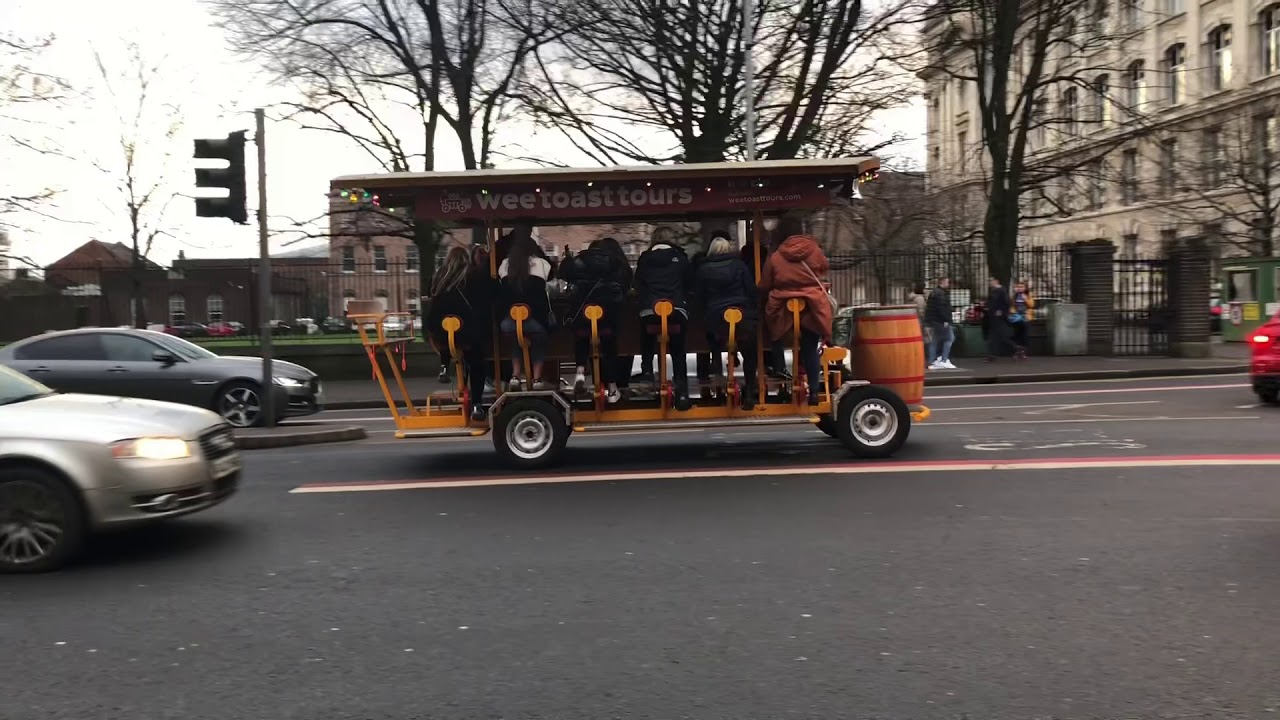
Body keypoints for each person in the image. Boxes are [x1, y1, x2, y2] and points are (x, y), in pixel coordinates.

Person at [760, 212, 831, 405]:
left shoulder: (776, 256)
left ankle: (781, 372)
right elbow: (824, 267)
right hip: (812, 307)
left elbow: (765, 283)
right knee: (810, 347)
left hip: (783, 308)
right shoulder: (814, 249)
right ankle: (814, 391)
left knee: (774, 336)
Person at [425, 246, 496, 421]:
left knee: (450, 342)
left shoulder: (439, 275)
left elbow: (430, 295)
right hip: (467, 331)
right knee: (476, 362)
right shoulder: (472, 275)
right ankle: (476, 404)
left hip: (440, 329)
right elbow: (488, 293)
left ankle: (444, 366)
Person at [561, 237, 631, 404]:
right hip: (607, 315)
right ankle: (613, 388)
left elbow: (564, 276)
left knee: (582, 337)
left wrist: (568, 259)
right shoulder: (616, 263)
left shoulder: (580, 261)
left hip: (583, 316)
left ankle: (579, 370)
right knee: (609, 345)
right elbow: (625, 285)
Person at [696, 236, 761, 408]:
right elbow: (750, 289)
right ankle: (749, 393)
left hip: (717, 317)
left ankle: (715, 359)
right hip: (742, 315)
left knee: (712, 334)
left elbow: (700, 296)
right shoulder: (739, 266)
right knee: (750, 352)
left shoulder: (703, 269)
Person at [634, 226, 694, 410]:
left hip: (651, 311)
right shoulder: (681, 258)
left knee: (646, 332)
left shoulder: (645, 259)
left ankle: (646, 369)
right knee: (678, 349)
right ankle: (682, 392)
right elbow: (689, 283)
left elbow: (637, 284)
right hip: (675, 309)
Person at [498, 233, 553, 389]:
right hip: (535, 320)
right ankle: (537, 378)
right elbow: (550, 275)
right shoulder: (540, 263)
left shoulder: (504, 264)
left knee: (517, 336)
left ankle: (515, 375)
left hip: (509, 322)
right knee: (540, 338)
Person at [925, 277, 958, 370]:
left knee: (934, 341)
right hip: (941, 320)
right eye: (947, 282)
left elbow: (932, 308)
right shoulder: (941, 294)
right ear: (942, 282)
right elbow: (942, 308)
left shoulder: (934, 292)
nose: (948, 284)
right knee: (950, 338)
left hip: (934, 320)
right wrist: (946, 320)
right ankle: (944, 360)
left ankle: (932, 361)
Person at [985, 276, 1011, 361]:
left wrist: (1001, 311)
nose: (990, 282)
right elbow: (990, 302)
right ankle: (992, 354)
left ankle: (992, 354)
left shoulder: (1002, 290)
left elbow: (1006, 303)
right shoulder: (993, 290)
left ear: (996, 281)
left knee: (995, 335)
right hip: (992, 315)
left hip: (998, 316)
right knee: (996, 335)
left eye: (991, 281)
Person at [1010, 280, 1035, 360]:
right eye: (1018, 287)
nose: (1019, 288)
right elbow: (1012, 306)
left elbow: (1031, 305)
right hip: (1017, 318)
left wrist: (1025, 299)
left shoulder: (1028, 295)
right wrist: (1013, 312)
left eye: (1021, 287)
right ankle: (1018, 352)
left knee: (1025, 335)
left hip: (1025, 317)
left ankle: (1023, 352)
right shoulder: (1015, 296)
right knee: (1017, 335)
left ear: (1025, 288)